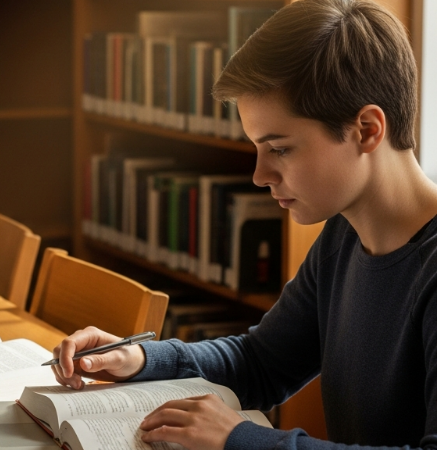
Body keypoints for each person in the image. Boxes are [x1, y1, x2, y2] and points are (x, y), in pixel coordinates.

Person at [52, 0, 437, 448]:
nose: (259, 175)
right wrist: (139, 358)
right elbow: (260, 363)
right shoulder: (344, 234)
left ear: (367, 129)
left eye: (280, 149)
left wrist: (241, 440)